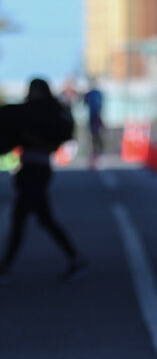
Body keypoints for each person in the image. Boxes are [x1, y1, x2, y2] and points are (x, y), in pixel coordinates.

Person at [0, 77, 86, 283]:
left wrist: (32, 137)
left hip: (37, 171)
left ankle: (7, 264)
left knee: (25, 218)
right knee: (40, 219)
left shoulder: (48, 113)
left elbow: (56, 137)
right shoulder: (32, 112)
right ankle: (74, 257)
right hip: (30, 169)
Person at [83, 81, 105, 167]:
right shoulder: (91, 94)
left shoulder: (97, 94)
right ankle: (93, 155)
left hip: (95, 117)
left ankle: (96, 155)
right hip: (93, 118)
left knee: (96, 137)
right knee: (93, 137)